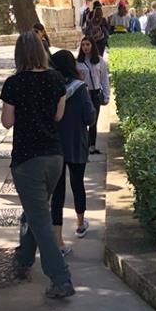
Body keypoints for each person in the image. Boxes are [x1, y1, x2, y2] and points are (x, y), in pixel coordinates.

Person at [0, 32, 74, 299]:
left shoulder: (14, 83)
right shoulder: (56, 79)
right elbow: (58, 115)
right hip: (54, 156)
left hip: (27, 159)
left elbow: (7, 122)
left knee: (40, 219)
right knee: (34, 211)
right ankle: (23, 259)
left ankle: (61, 278)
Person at [48, 50, 96, 255]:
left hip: (56, 146)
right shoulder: (80, 88)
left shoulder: (50, 88)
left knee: (57, 192)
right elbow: (89, 117)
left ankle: (58, 240)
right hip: (77, 143)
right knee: (78, 184)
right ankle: (80, 224)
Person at [76, 36, 110, 155]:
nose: (85, 47)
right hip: (83, 93)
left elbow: (104, 79)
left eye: (88, 44)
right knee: (83, 120)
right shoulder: (78, 62)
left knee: (94, 120)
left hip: (95, 93)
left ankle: (92, 146)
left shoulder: (100, 61)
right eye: (83, 45)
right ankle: (83, 145)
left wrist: (106, 95)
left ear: (92, 46)